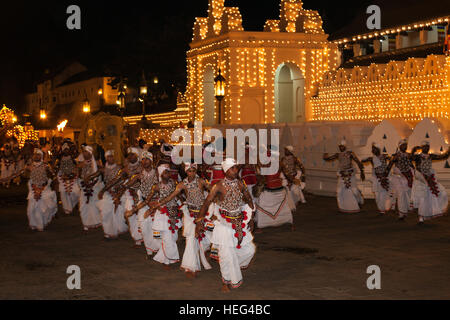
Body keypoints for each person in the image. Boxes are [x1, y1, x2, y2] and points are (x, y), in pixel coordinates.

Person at [195, 158, 255, 292]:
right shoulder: (218, 186)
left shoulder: (240, 183)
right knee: (227, 255)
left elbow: (248, 199)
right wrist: (199, 222)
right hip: (224, 224)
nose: (236, 170)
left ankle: (233, 267)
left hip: (240, 222)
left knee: (249, 250)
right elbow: (206, 204)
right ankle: (226, 281)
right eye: (233, 168)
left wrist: (251, 217)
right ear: (226, 170)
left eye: (236, 168)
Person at [148, 162, 212, 277]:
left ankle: (196, 263)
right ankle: (190, 267)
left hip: (202, 214)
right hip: (190, 215)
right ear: (186, 171)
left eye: (193, 170)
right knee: (191, 239)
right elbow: (170, 197)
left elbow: (213, 191)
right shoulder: (182, 184)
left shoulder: (202, 181)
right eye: (189, 171)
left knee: (204, 241)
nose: (191, 173)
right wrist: (157, 204)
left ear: (196, 171)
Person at [0, 149, 58, 231]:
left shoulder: (46, 166)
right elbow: (18, 173)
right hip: (33, 189)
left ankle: (41, 224)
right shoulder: (29, 166)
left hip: (44, 189)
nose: (36, 156)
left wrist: (54, 185)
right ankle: (34, 224)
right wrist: (5, 179)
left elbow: (53, 176)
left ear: (41, 156)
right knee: (30, 210)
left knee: (44, 209)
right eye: (35, 154)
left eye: (38, 154)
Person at [142, 164, 182, 268]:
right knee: (167, 239)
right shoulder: (157, 186)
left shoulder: (174, 183)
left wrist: (183, 206)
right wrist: (151, 209)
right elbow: (148, 199)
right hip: (163, 214)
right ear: (160, 174)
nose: (168, 174)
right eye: (165, 172)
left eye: (168, 171)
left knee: (173, 238)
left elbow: (178, 196)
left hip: (174, 213)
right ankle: (167, 261)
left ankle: (163, 257)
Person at [123, 151, 160, 256]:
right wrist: (124, 187)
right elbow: (127, 184)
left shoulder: (157, 173)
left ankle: (158, 249)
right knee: (144, 227)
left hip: (156, 203)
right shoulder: (138, 176)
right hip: (143, 203)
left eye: (147, 159)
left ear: (151, 160)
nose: (144, 161)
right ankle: (149, 250)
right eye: (143, 159)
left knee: (155, 228)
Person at [254, 147, 294, 230]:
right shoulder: (279, 163)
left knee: (261, 204)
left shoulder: (266, 163)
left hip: (271, 189)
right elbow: (288, 174)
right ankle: (289, 223)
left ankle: (260, 226)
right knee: (284, 207)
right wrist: (291, 180)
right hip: (278, 189)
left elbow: (259, 174)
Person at [410, 141, 450, 223]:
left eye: (428, 146)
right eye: (424, 146)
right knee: (422, 198)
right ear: (422, 147)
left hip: (429, 179)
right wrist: (413, 150)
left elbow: (443, 156)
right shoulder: (418, 157)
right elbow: (410, 157)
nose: (426, 148)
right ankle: (421, 217)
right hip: (421, 180)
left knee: (436, 195)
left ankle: (428, 213)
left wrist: (449, 150)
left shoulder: (430, 156)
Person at [323, 140, 365, 213]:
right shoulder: (338, 154)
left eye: (342, 146)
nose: (341, 148)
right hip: (342, 175)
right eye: (339, 146)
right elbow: (328, 158)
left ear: (345, 146)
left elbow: (358, 162)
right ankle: (343, 207)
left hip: (350, 175)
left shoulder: (350, 153)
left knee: (355, 191)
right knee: (339, 191)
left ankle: (359, 199)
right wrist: (325, 156)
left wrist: (362, 172)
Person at [96, 150, 128, 240]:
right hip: (108, 193)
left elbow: (121, 181)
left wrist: (118, 193)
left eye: (112, 156)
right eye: (108, 157)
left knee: (118, 212)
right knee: (105, 212)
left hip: (119, 193)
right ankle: (108, 232)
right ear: (106, 158)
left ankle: (117, 228)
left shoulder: (120, 168)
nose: (111, 158)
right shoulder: (103, 169)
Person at [387, 139, 415, 220]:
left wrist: (415, 173)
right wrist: (384, 176)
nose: (405, 147)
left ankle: (404, 211)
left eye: (406, 145)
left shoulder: (408, 155)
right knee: (401, 194)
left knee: (406, 194)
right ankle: (401, 213)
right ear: (399, 146)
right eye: (403, 145)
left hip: (407, 177)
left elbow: (410, 164)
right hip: (397, 178)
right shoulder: (396, 155)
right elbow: (390, 165)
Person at [362, 143, 393, 215]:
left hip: (384, 178)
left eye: (374, 149)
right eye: (372, 149)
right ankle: (381, 208)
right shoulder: (372, 158)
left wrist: (387, 170)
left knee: (383, 194)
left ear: (378, 149)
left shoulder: (384, 156)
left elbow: (392, 160)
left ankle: (383, 209)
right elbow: (363, 161)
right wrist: (364, 160)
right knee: (377, 195)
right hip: (376, 179)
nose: (372, 150)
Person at [78, 145, 103, 232]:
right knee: (83, 205)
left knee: (94, 205)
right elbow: (79, 175)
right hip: (84, 187)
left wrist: (93, 184)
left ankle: (96, 222)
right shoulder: (81, 164)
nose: (85, 154)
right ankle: (86, 223)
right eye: (84, 152)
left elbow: (100, 173)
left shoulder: (97, 163)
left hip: (95, 186)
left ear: (90, 153)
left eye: (86, 152)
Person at [57, 142, 80, 215]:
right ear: (63, 151)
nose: (66, 151)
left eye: (67, 150)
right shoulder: (59, 159)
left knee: (75, 192)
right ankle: (67, 208)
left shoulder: (73, 158)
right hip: (62, 178)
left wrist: (73, 174)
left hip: (73, 178)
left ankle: (72, 205)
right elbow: (57, 169)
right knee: (63, 192)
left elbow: (77, 167)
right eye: (65, 150)